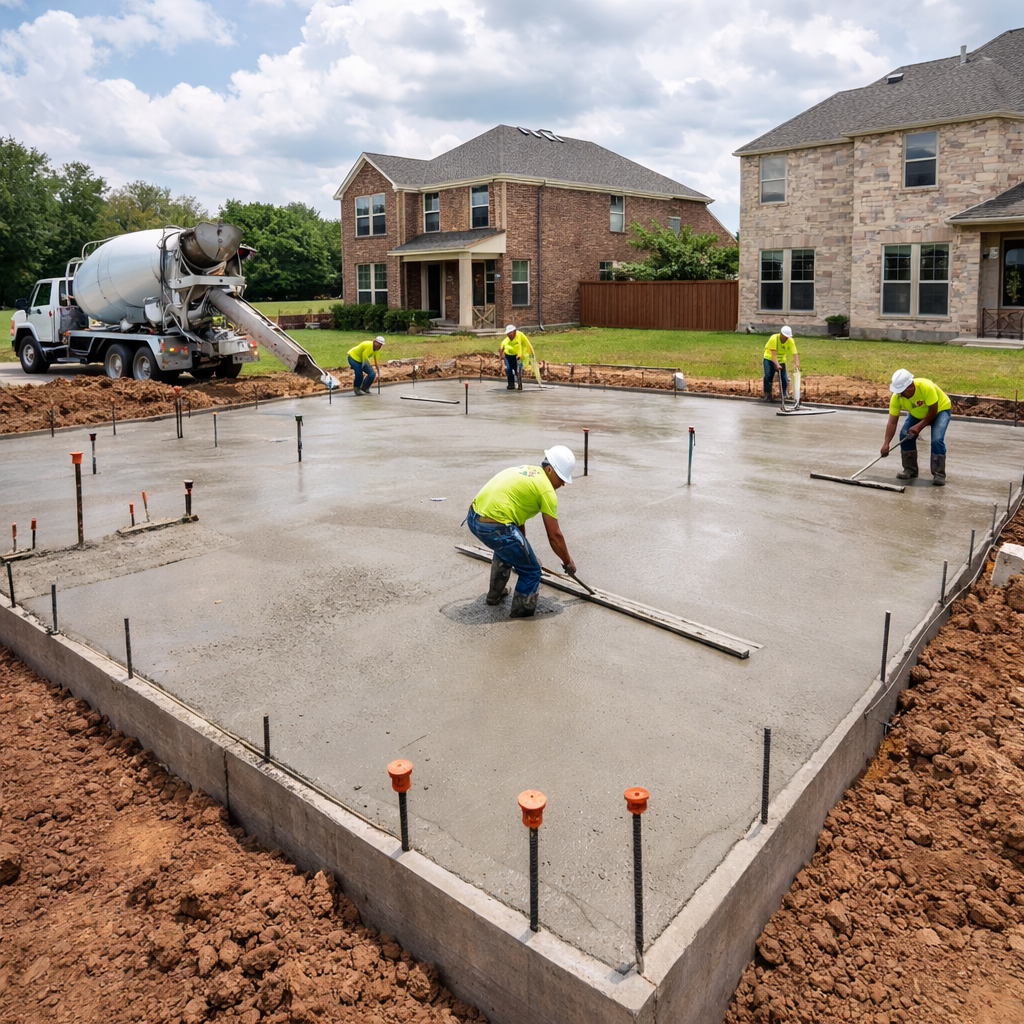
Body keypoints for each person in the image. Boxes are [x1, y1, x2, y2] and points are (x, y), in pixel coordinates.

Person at [465, 446, 577, 618]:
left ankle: (494, 595)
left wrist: (521, 552)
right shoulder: (547, 490)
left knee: (507, 550)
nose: (563, 483)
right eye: (561, 477)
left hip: (474, 517)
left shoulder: (529, 472)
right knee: (532, 571)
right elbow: (555, 536)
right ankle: (521, 615)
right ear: (549, 469)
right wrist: (568, 562)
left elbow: (518, 516)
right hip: (494, 526)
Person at [880, 368, 952, 486]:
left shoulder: (926, 387)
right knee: (905, 435)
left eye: (901, 390)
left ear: (910, 386)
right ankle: (910, 470)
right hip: (917, 413)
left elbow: (933, 412)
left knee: (937, 440)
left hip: (940, 410)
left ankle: (939, 474)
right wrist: (886, 443)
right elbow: (892, 422)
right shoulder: (897, 398)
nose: (899, 393)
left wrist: (919, 426)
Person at [763, 326, 800, 401]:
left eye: (788, 337)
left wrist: (796, 363)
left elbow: (795, 353)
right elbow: (774, 355)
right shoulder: (774, 338)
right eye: (785, 336)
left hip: (781, 360)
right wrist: (777, 364)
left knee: (784, 378)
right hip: (769, 359)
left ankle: (784, 393)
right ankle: (768, 394)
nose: (786, 338)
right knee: (768, 376)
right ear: (781, 334)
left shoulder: (790, 341)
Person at [500, 324, 528, 390]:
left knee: (517, 371)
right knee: (508, 370)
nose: (509, 335)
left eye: (510, 333)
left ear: (514, 332)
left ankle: (519, 384)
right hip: (508, 357)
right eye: (508, 334)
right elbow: (502, 351)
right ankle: (511, 384)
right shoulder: (505, 341)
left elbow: (525, 345)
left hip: (517, 357)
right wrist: (502, 360)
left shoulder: (519, 336)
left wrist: (522, 355)